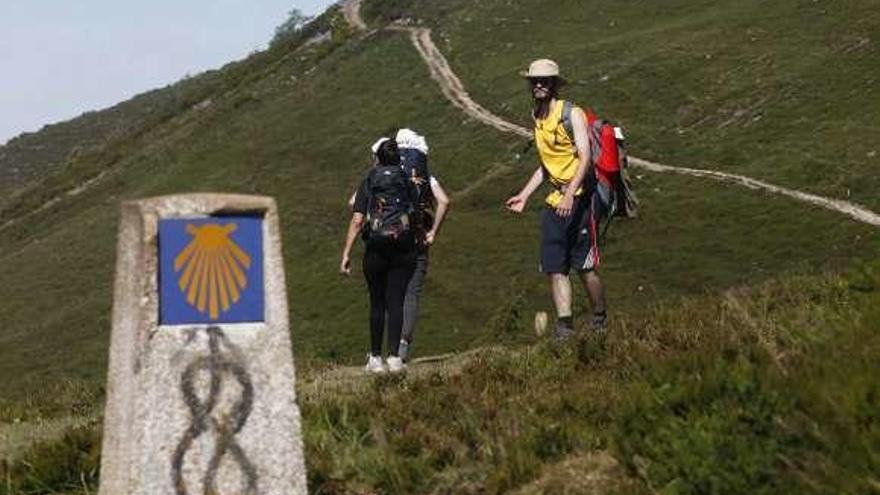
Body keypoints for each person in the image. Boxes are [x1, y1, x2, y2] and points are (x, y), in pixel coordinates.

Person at [505, 59, 611, 339]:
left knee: (585, 266)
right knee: (555, 266)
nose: (539, 85)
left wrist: (569, 195)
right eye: (534, 81)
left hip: (580, 198)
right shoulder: (537, 115)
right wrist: (524, 195)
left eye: (545, 80)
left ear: (554, 84)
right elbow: (546, 164)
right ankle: (565, 326)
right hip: (555, 201)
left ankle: (599, 318)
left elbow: (585, 158)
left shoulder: (571, 113)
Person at [340, 138, 417, 373]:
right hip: (403, 247)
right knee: (397, 302)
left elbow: (357, 220)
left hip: (376, 248)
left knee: (377, 303)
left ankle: (375, 358)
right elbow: (415, 210)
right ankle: (394, 357)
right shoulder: (407, 180)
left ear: (378, 158)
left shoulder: (369, 180)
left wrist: (346, 253)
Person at [395, 129, 451, 361]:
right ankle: (402, 348)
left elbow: (353, 201)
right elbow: (444, 201)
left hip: (390, 239)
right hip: (418, 239)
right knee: (411, 294)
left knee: (390, 292)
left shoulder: (385, 173)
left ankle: (382, 350)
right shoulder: (426, 175)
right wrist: (432, 233)